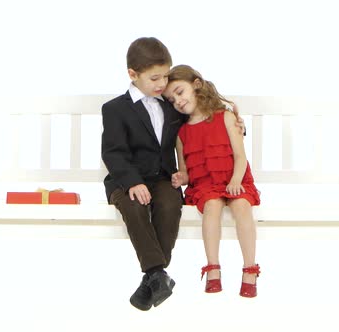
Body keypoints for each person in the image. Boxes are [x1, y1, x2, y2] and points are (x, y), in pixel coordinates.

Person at [101, 37, 185, 311]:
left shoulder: (172, 106)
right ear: (132, 75)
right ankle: (157, 273)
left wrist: (236, 124)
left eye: (166, 76)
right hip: (127, 180)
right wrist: (133, 181)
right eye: (154, 78)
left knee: (170, 205)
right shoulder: (115, 109)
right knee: (136, 207)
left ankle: (153, 277)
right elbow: (113, 152)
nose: (162, 84)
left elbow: (202, 117)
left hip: (162, 178)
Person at [163, 64, 261, 298]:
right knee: (212, 206)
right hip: (206, 186)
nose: (177, 101)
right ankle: (212, 267)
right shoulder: (182, 133)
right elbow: (186, 169)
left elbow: (240, 156)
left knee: (242, 206)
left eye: (179, 92)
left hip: (234, 179)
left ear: (196, 84)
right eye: (171, 99)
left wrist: (236, 181)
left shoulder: (225, 117)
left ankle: (250, 268)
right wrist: (181, 177)